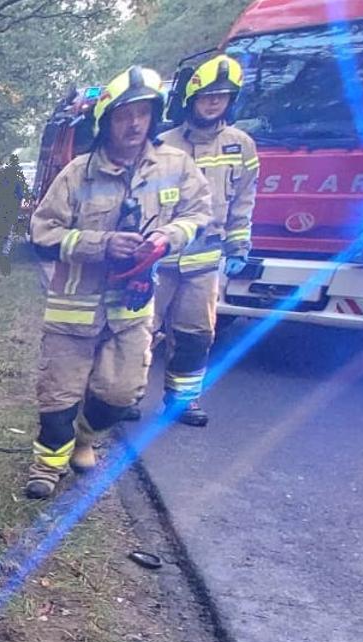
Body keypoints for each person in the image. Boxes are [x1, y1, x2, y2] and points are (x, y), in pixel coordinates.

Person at [23, 66, 212, 500]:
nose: (134, 123)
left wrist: (167, 238)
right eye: (125, 114)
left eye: (143, 113)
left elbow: (199, 213)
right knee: (59, 393)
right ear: (106, 120)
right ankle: (46, 468)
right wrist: (101, 244)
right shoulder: (77, 174)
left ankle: (85, 439)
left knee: (120, 393)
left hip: (132, 304)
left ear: (154, 116)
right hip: (75, 305)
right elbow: (42, 233)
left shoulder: (175, 165)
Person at [144, 54, 259, 427]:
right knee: (139, 330)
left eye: (222, 96)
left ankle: (182, 401)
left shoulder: (240, 146)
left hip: (205, 260)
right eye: (207, 95)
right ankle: (126, 396)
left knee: (195, 335)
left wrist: (239, 246)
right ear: (190, 99)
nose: (213, 102)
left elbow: (243, 199)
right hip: (158, 257)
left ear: (231, 100)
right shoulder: (162, 142)